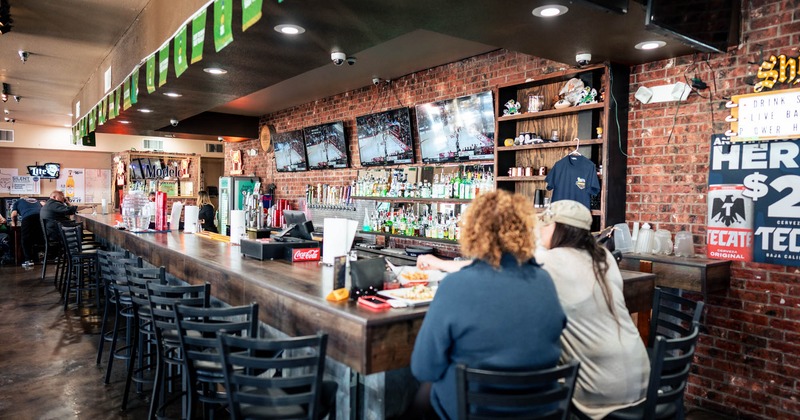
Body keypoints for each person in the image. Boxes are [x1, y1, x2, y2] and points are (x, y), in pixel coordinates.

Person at [409, 190, 566, 420]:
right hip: (541, 410)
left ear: (472, 231)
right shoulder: (543, 281)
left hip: (476, 411)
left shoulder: (455, 286)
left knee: (424, 396)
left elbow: (424, 368)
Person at [537, 200, 649, 419]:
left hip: (602, 387)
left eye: (545, 224)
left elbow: (507, 264)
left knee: (537, 381)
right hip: (640, 376)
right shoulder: (604, 257)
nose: (541, 229)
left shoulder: (549, 260)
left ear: (558, 228)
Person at [11, 196, 44, 265]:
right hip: (41, 218)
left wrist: (14, 224)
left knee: (25, 239)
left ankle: (28, 260)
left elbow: (14, 215)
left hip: (28, 218)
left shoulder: (18, 202)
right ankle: (40, 258)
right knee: (39, 238)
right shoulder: (36, 200)